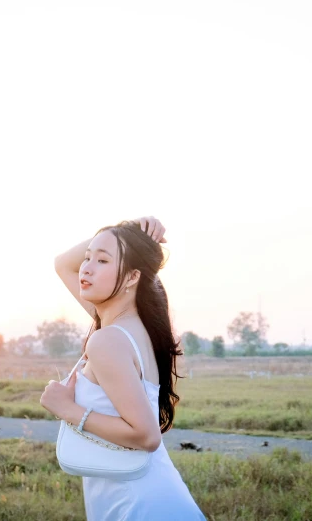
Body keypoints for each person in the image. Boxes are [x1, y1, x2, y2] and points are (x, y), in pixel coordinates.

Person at [40, 216, 206, 520]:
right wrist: (124, 229)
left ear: (131, 277)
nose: (86, 267)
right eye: (88, 257)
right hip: (149, 491)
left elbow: (146, 436)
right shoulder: (128, 325)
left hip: (139, 503)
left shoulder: (108, 340)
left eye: (102, 260)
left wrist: (66, 408)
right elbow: (63, 263)